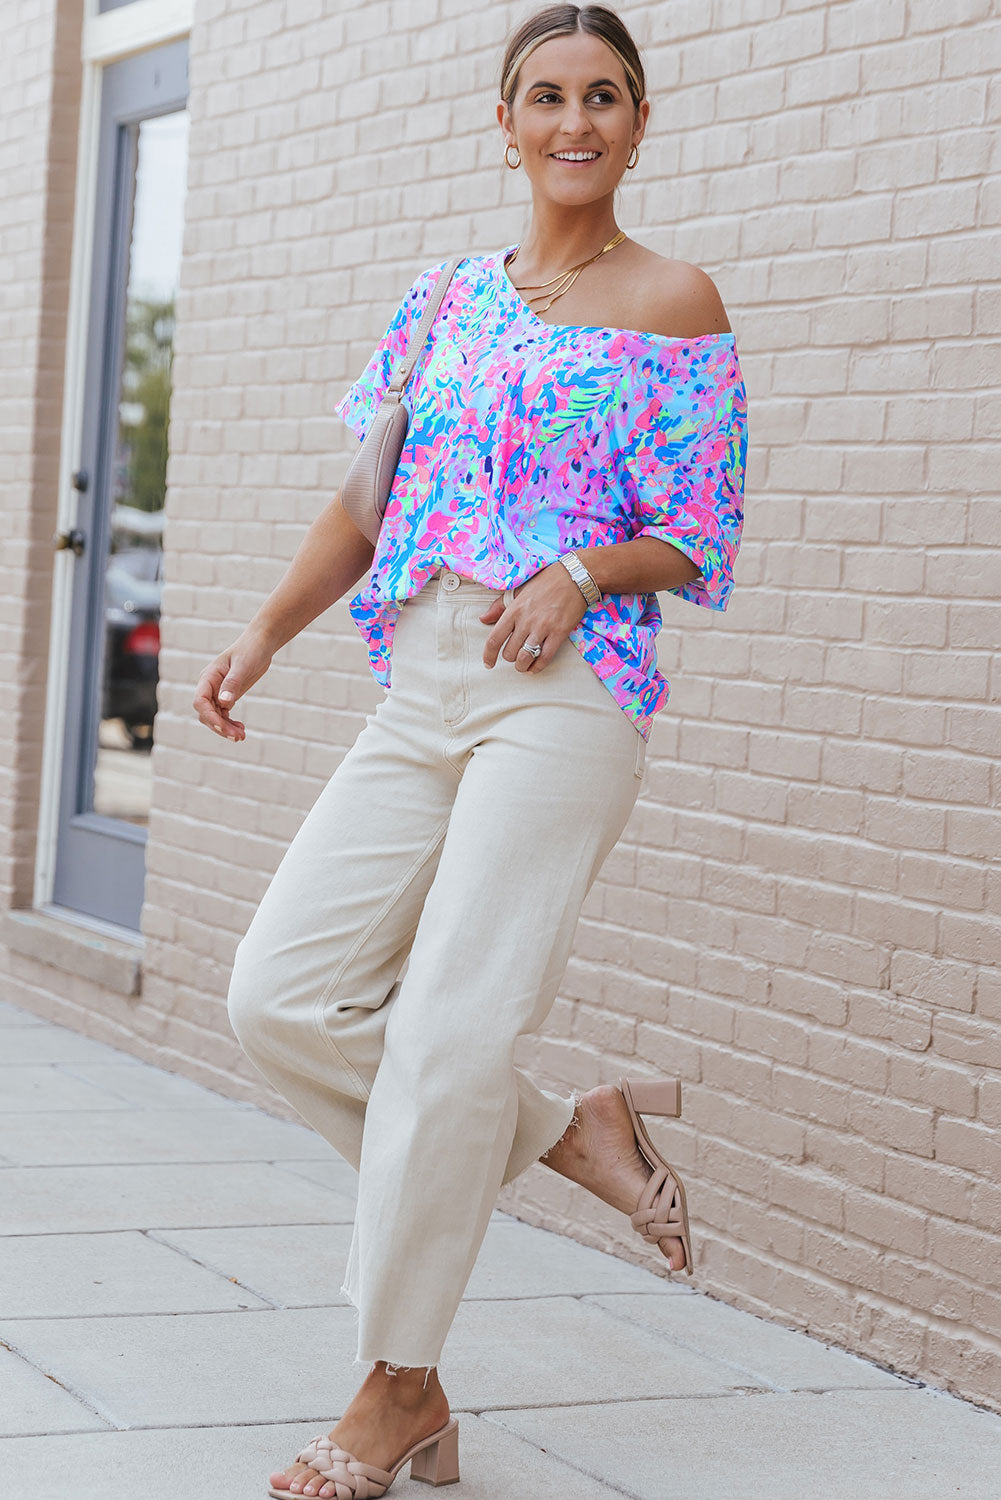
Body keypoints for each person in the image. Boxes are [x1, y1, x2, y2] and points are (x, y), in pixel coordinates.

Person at [194, 5, 747, 1495]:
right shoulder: (440, 299)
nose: (575, 121)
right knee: (279, 997)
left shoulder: (675, 302)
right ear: (501, 123)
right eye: (547, 97)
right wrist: (263, 632)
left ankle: (390, 1392)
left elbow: (695, 535)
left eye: (605, 97)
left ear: (639, 123)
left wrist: (581, 571)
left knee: (444, 1039)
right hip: (418, 681)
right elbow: (365, 506)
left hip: (565, 693)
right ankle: (572, 1132)